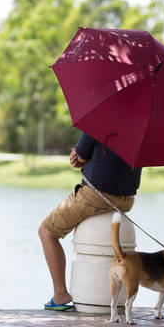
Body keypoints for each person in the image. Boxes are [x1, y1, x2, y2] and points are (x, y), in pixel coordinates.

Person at [39, 132, 142, 310]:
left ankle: (60, 293)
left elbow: (79, 157)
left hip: (96, 194)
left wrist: (77, 159)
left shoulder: (101, 119)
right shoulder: (140, 127)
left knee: (46, 232)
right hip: (126, 199)